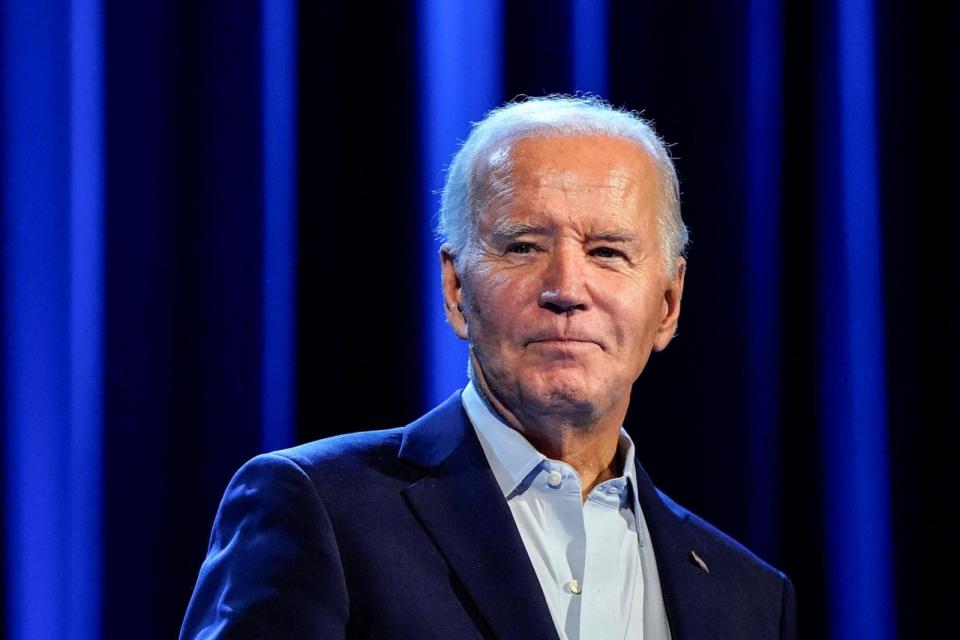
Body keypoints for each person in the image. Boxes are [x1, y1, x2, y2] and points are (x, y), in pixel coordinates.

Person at [180, 95, 797, 639]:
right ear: (456, 291)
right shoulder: (318, 509)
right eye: (523, 246)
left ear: (667, 304)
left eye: (608, 251)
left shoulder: (748, 598)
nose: (566, 288)